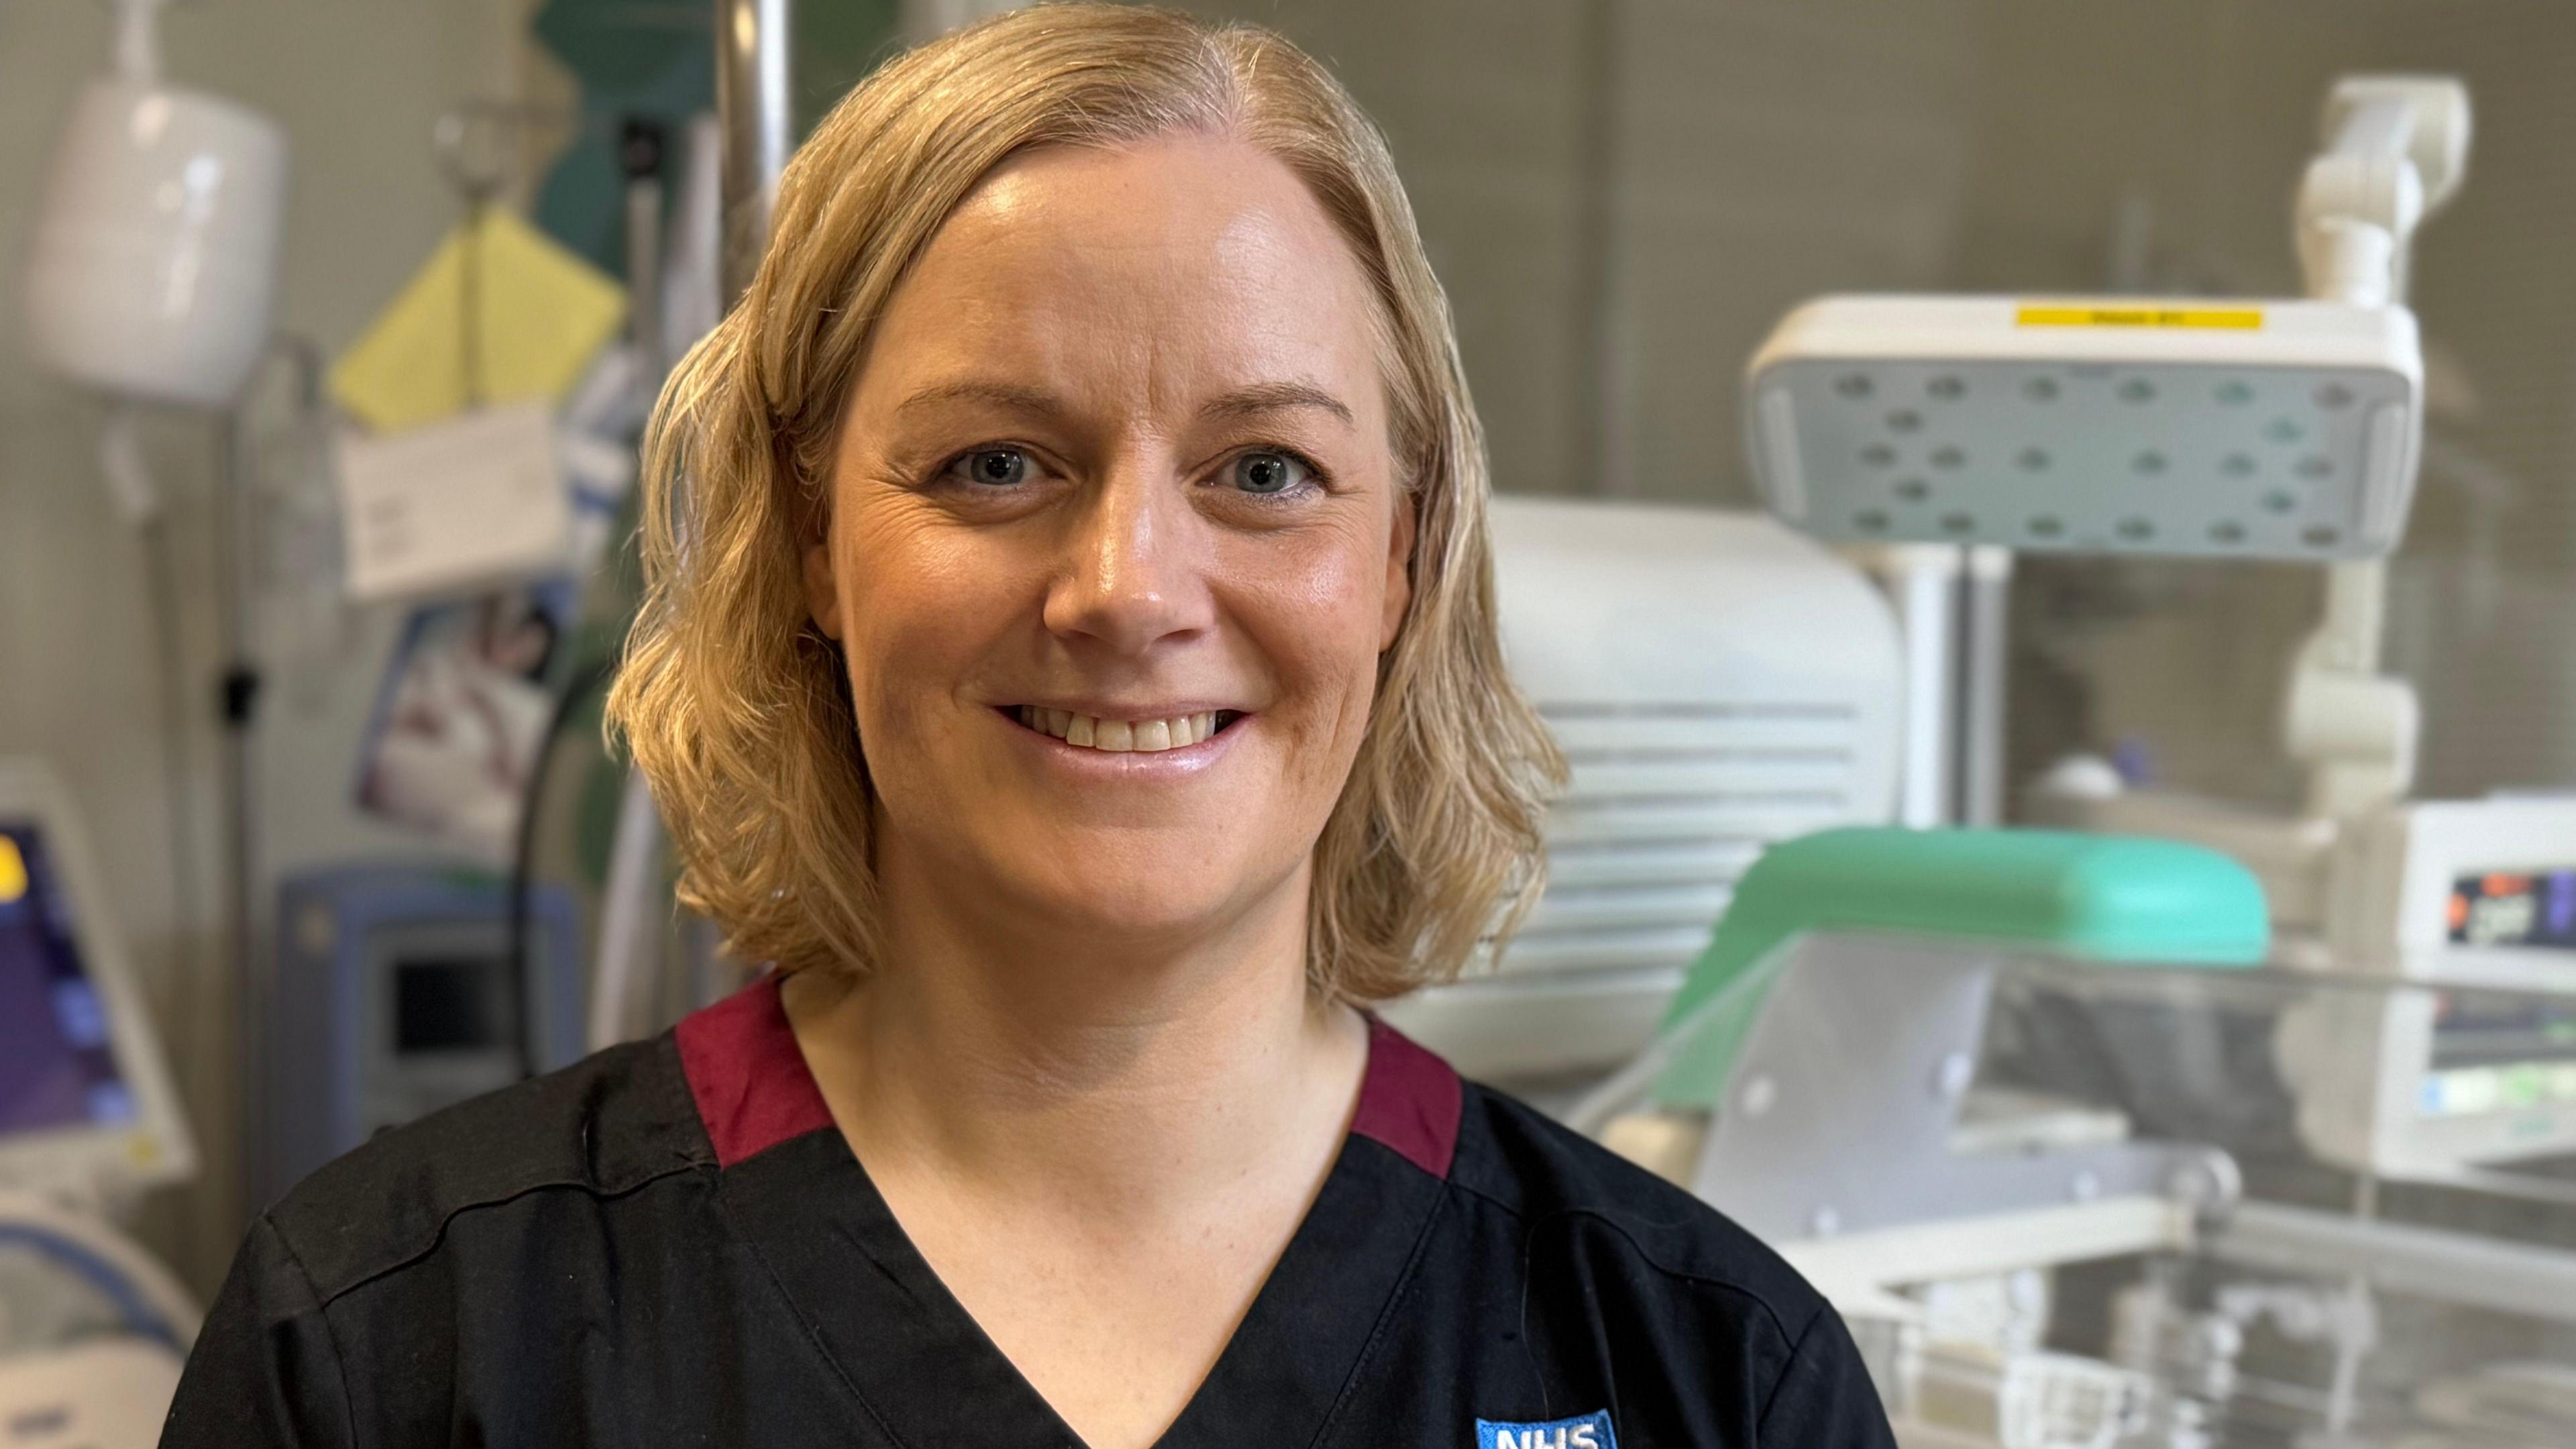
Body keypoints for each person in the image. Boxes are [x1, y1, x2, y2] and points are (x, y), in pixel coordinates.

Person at [164, 7, 1895, 1445]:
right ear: (814, 536)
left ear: (1402, 559)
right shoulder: (400, 1351)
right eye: (998, 462)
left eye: (1266, 472)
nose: (1129, 590)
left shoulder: (1710, 1378)